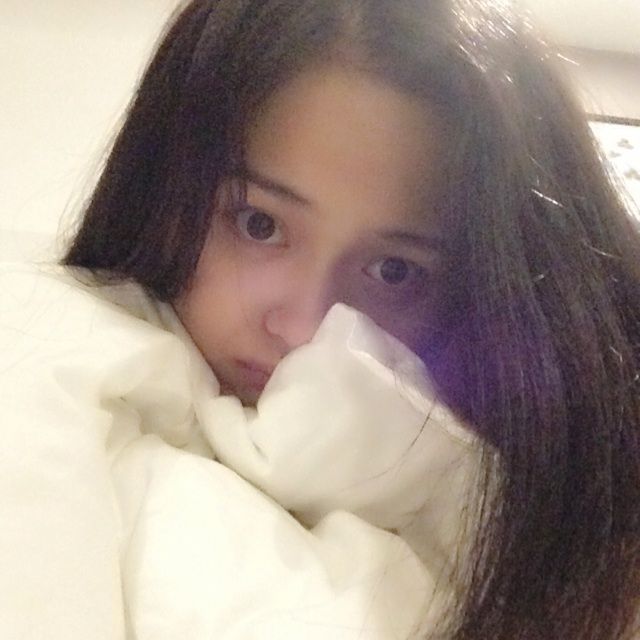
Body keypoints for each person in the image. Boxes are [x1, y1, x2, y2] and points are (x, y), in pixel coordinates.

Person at [1, 0, 639, 639]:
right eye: (259, 224)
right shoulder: (48, 378)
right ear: (161, 191)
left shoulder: (575, 545)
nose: (304, 329)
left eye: (394, 270)